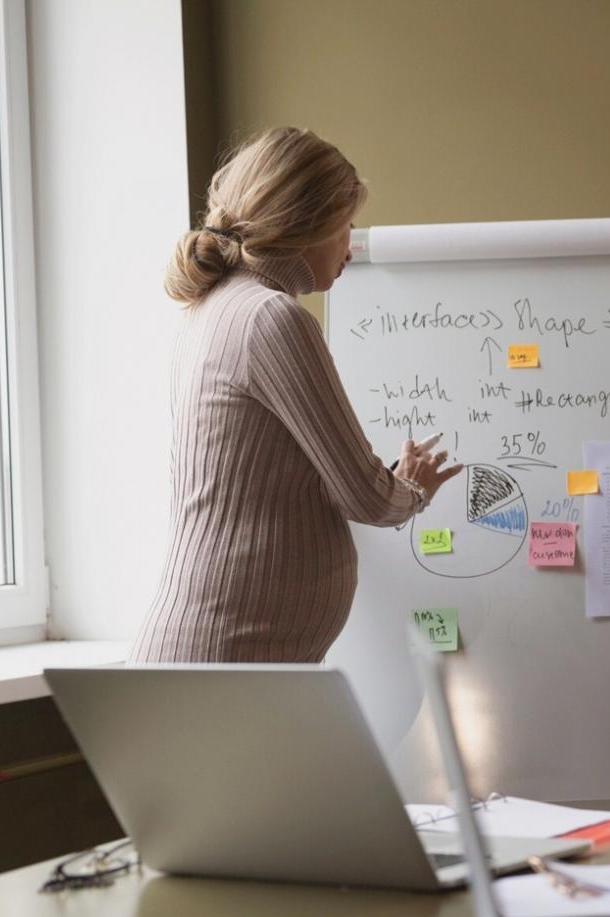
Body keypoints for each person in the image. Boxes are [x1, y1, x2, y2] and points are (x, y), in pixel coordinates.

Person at [131, 128, 461, 663]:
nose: (350, 246)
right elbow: (369, 498)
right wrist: (413, 489)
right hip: (227, 657)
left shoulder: (213, 308)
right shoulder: (270, 317)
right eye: (344, 226)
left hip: (221, 651)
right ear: (308, 223)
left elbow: (275, 484)